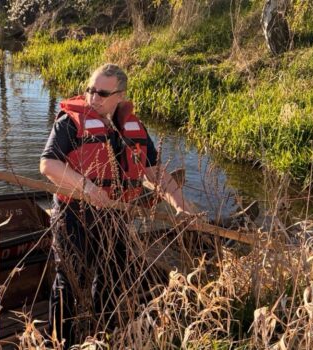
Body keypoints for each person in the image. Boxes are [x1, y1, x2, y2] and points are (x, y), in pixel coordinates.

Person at [39, 64, 196, 347]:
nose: (93, 98)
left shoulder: (131, 127)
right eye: (90, 90)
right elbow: (48, 164)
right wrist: (86, 187)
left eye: (102, 93)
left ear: (120, 96)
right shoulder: (69, 122)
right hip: (74, 214)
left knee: (113, 275)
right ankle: (58, 343)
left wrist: (180, 203)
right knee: (70, 282)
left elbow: (154, 170)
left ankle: (101, 337)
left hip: (115, 215)